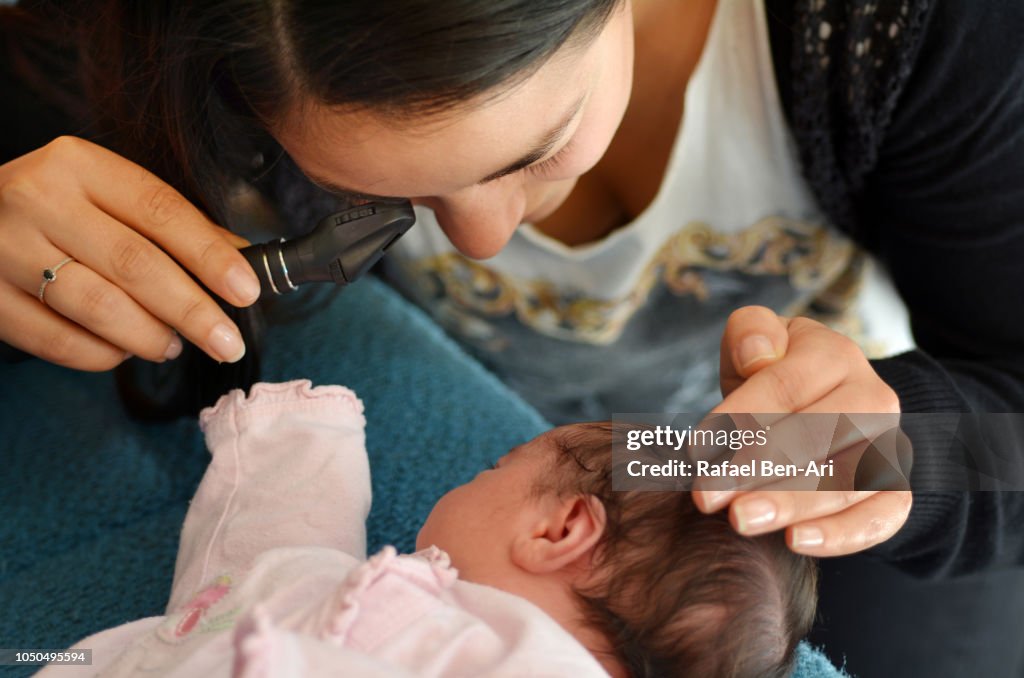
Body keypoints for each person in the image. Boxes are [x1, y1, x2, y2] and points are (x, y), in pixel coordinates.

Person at [2, 0, 1023, 674]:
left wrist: (894, 451)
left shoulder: (913, 35)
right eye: (377, 197)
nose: (483, 241)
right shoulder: (185, 33)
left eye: (536, 149)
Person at [43, 380, 818, 678]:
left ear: (560, 531)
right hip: (188, 632)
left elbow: (904, 454)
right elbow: (283, 557)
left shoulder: (525, 662)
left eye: (498, 467)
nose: (473, 474)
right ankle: (293, 441)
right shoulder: (413, 603)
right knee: (288, 555)